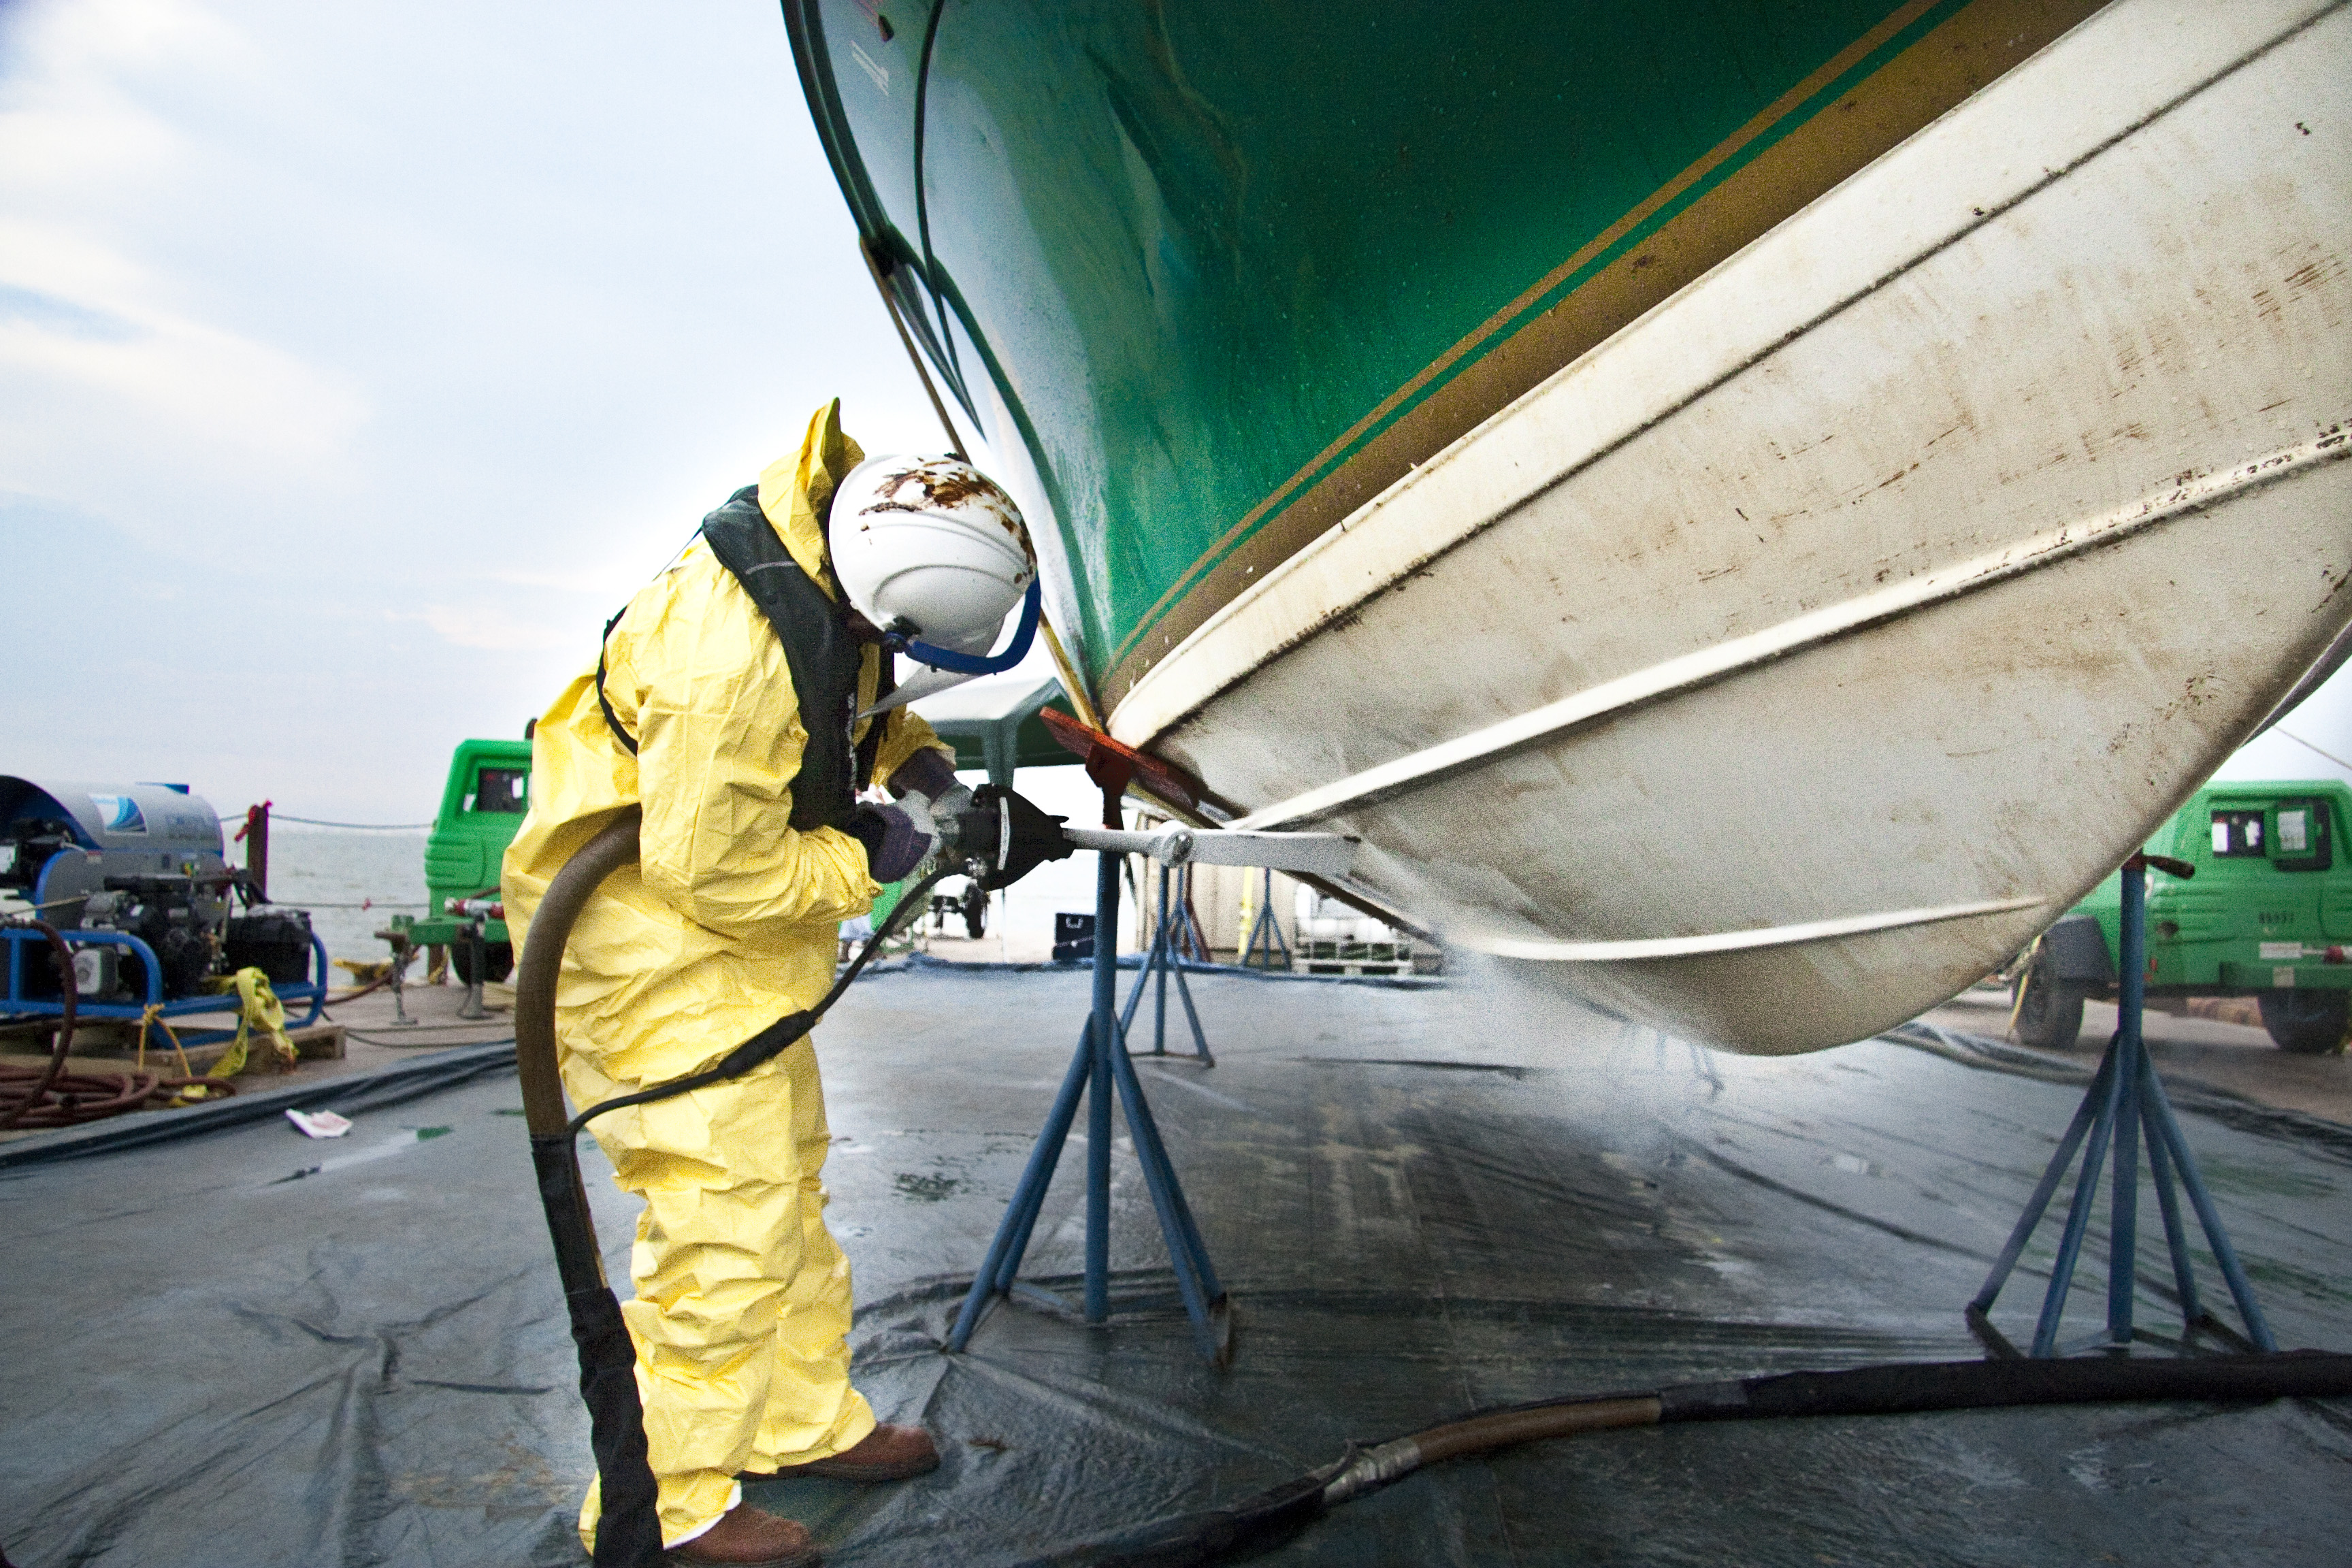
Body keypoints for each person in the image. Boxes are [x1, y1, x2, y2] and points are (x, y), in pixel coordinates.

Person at [503, 401, 1033, 1567]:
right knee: (720, 1220)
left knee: (783, 1185)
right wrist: (875, 855)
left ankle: (797, 1422)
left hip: (733, 952)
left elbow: (858, 707)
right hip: (649, 944)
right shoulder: (723, 661)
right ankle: (673, 1505)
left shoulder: (851, 552)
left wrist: (925, 775)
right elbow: (720, 870)